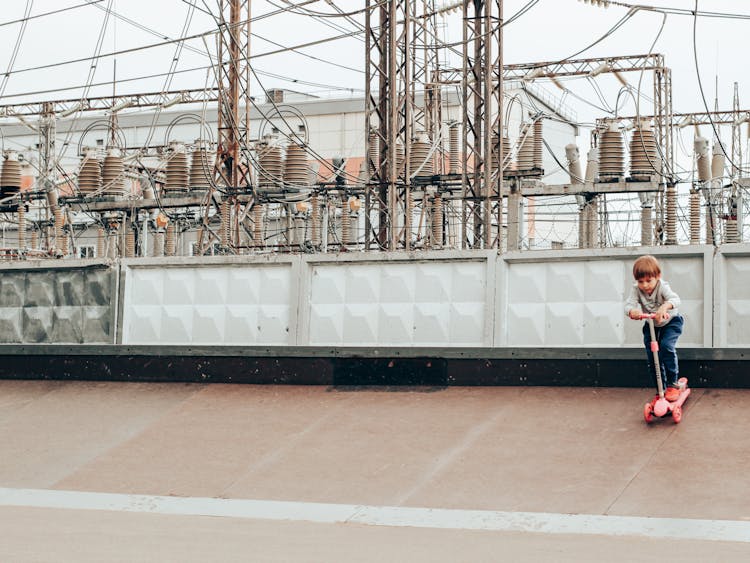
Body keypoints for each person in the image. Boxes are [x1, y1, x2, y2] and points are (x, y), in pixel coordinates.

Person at [624, 255, 683, 401]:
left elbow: (675, 299)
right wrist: (633, 311)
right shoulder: (636, 289)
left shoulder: (662, 286)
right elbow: (628, 305)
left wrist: (665, 307)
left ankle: (672, 385)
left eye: (649, 281)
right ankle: (660, 389)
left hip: (671, 322)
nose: (645, 285)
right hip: (651, 325)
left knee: (666, 347)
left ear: (658, 276)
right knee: (653, 357)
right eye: (640, 281)